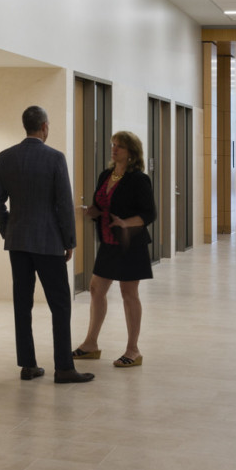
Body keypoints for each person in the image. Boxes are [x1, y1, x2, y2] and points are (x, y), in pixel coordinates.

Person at [0, 106, 95, 385]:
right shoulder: (55, 158)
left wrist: (8, 230)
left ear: (26, 126)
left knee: (22, 304)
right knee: (60, 304)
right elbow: (63, 203)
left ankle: (28, 365)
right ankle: (64, 368)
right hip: (49, 243)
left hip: (18, 243)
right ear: (45, 126)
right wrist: (69, 240)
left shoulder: (6, 157)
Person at [74, 131, 156, 369]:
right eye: (113, 145)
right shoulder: (106, 175)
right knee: (95, 289)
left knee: (128, 294)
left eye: (119, 146)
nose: (114, 149)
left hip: (130, 244)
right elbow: (103, 205)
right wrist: (94, 212)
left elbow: (149, 213)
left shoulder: (139, 179)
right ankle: (91, 343)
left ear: (131, 152)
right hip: (109, 243)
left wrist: (126, 223)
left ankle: (133, 350)